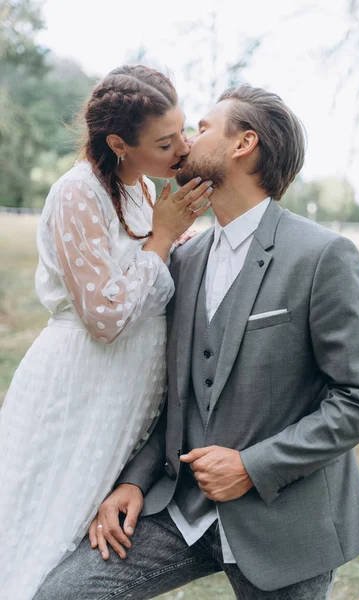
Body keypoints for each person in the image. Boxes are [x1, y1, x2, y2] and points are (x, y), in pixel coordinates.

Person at [34, 84, 359, 600]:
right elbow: (175, 396)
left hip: (284, 518)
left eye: (201, 128)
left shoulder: (322, 256)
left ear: (244, 144)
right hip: (178, 510)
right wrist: (133, 480)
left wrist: (251, 466)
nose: (184, 142)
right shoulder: (184, 258)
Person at [0, 64, 213, 600]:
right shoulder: (78, 195)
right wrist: (163, 237)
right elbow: (105, 317)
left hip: (129, 395)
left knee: (91, 540)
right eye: (166, 142)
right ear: (119, 142)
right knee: (47, 526)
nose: (182, 148)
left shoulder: (145, 187)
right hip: (80, 388)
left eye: (183, 131)